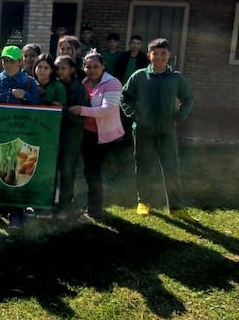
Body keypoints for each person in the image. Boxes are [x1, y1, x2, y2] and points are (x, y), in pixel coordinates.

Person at [120, 38, 196, 221]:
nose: (159, 57)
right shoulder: (139, 76)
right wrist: (134, 114)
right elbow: (124, 96)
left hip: (166, 131)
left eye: (163, 53)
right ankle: (143, 202)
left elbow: (188, 99)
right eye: (155, 53)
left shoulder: (176, 78)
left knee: (171, 167)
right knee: (144, 166)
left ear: (169, 55)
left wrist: (179, 117)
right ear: (149, 55)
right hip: (143, 130)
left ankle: (176, 207)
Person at [0, 45, 41, 229]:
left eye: (11, 60)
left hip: (23, 135)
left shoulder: (30, 82)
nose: (7, 64)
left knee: (20, 171)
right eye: (5, 60)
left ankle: (15, 212)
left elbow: (39, 107)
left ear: (20, 62)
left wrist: (26, 96)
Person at [68, 51, 124, 222]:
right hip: (87, 134)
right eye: (88, 66)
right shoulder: (84, 82)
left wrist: (81, 110)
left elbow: (107, 110)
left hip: (103, 136)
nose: (91, 70)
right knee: (88, 171)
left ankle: (94, 211)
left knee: (92, 172)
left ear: (103, 66)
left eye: (95, 66)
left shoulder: (112, 83)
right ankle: (91, 207)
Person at [54, 55, 87, 219]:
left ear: (72, 69)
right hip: (54, 134)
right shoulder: (54, 85)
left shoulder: (78, 89)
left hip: (71, 135)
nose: (59, 71)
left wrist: (63, 109)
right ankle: (49, 203)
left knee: (67, 171)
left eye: (63, 68)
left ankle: (64, 207)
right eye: (57, 68)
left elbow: (80, 117)